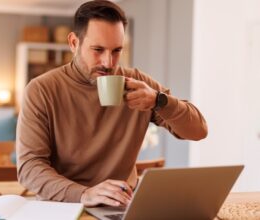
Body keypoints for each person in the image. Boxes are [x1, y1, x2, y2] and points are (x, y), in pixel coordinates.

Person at [16, 0, 207, 208]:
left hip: (121, 207)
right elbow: (29, 168)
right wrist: (84, 194)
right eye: (98, 50)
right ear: (73, 43)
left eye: (117, 51)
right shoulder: (41, 90)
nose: (108, 63)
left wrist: (159, 100)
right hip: (64, 207)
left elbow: (198, 131)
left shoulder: (138, 84)